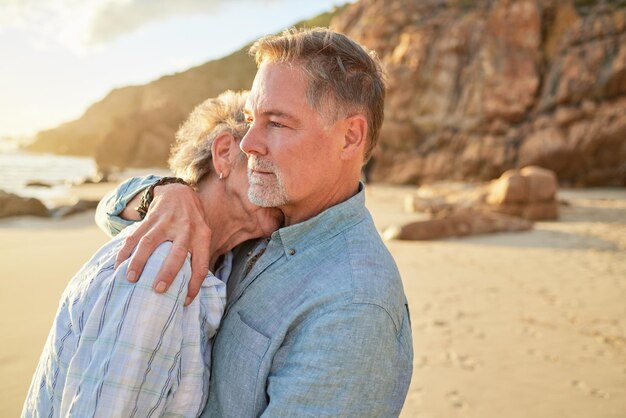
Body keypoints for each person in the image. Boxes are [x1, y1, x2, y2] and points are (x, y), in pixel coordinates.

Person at [98, 27, 413, 416]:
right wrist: (164, 192)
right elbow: (111, 216)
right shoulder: (262, 219)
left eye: (277, 123)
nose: (249, 143)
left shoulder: (352, 305)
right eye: (250, 120)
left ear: (349, 138)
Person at [22, 90, 282, 417]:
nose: (285, 178)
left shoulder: (227, 263)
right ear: (225, 153)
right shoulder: (159, 266)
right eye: (268, 158)